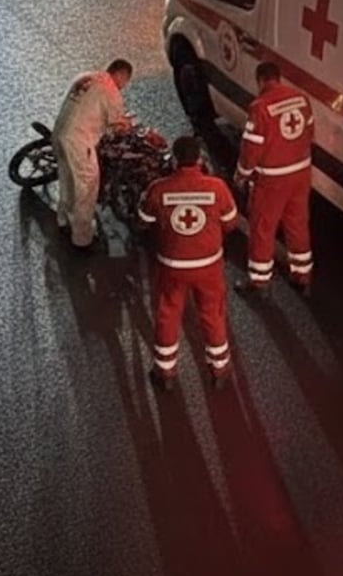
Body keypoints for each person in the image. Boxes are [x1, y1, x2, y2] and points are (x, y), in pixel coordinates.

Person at [138, 136, 239, 391]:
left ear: (174, 160)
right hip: (208, 266)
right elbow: (230, 223)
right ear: (200, 159)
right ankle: (219, 369)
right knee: (212, 314)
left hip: (172, 266)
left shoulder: (158, 188)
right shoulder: (217, 188)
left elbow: (143, 220)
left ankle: (165, 371)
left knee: (168, 313)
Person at [233, 61, 314, 298]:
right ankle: (302, 275)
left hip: (272, 179)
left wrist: (242, 173)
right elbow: (310, 134)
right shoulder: (301, 99)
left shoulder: (259, 108)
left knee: (262, 227)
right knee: (297, 223)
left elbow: (251, 149)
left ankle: (258, 280)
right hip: (300, 174)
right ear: (279, 78)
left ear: (260, 80)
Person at [52, 59, 134, 250]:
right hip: (80, 142)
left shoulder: (86, 77)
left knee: (66, 180)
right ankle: (82, 239)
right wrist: (126, 124)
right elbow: (116, 125)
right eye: (125, 82)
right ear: (121, 75)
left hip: (60, 134)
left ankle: (63, 219)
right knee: (86, 188)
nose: (123, 86)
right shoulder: (110, 91)